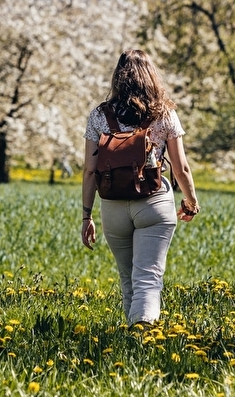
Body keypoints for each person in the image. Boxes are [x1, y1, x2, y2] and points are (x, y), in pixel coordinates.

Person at [81, 50, 199, 325]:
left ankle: (132, 338)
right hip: (154, 202)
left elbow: (89, 169)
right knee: (148, 276)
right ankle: (143, 332)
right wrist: (191, 201)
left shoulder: (99, 115)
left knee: (128, 277)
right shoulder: (165, 114)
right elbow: (181, 168)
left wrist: (87, 216)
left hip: (112, 207)